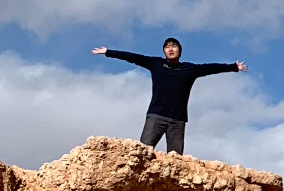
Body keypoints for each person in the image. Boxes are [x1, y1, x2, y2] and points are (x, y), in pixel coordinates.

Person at [91, 38, 247, 154]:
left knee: (175, 160)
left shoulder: (189, 69)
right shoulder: (156, 64)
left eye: (174, 46)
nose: (170, 49)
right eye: (167, 47)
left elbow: (211, 68)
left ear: (179, 50)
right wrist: (108, 52)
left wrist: (234, 67)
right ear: (164, 51)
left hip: (178, 120)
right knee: (142, 152)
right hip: (156, 116)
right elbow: (133, 57)